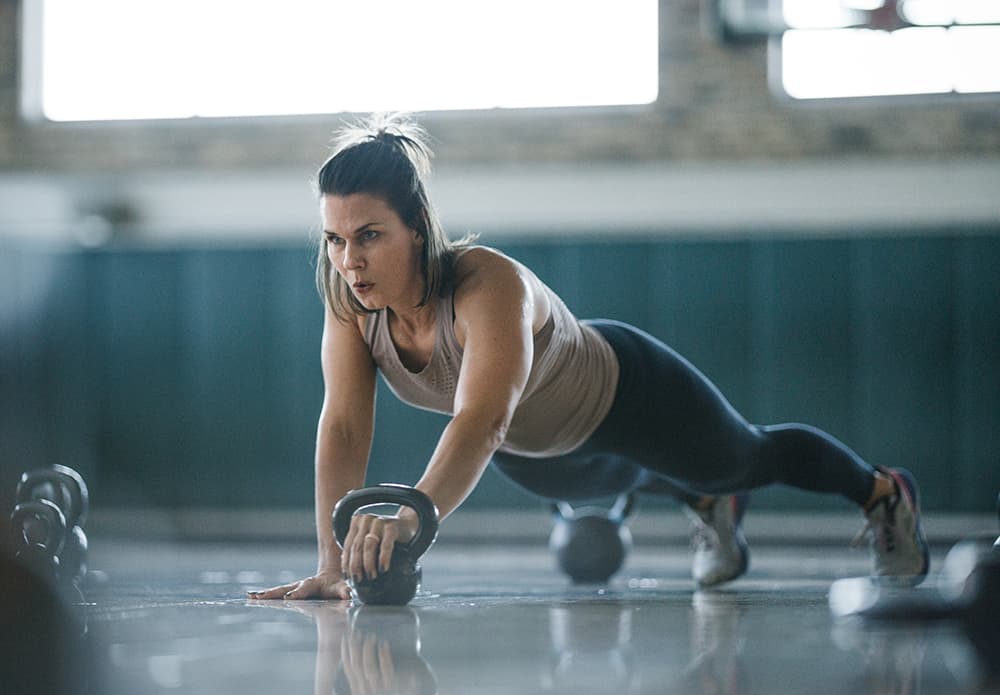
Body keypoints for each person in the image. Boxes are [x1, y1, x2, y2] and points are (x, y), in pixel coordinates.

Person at [248, 114, 928, 602]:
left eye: (369, 235)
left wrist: (410, 517)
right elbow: (341, 429)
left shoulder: (489, 285)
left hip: (626, 390)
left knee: (742, 458)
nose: (350, 260)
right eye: (335, 239)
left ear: (418, 228)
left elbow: (481, 418)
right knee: (598, 482)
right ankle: (706, 502)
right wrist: (332, 563)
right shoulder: (349, 304)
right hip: (538, 449)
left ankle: (881, 493)